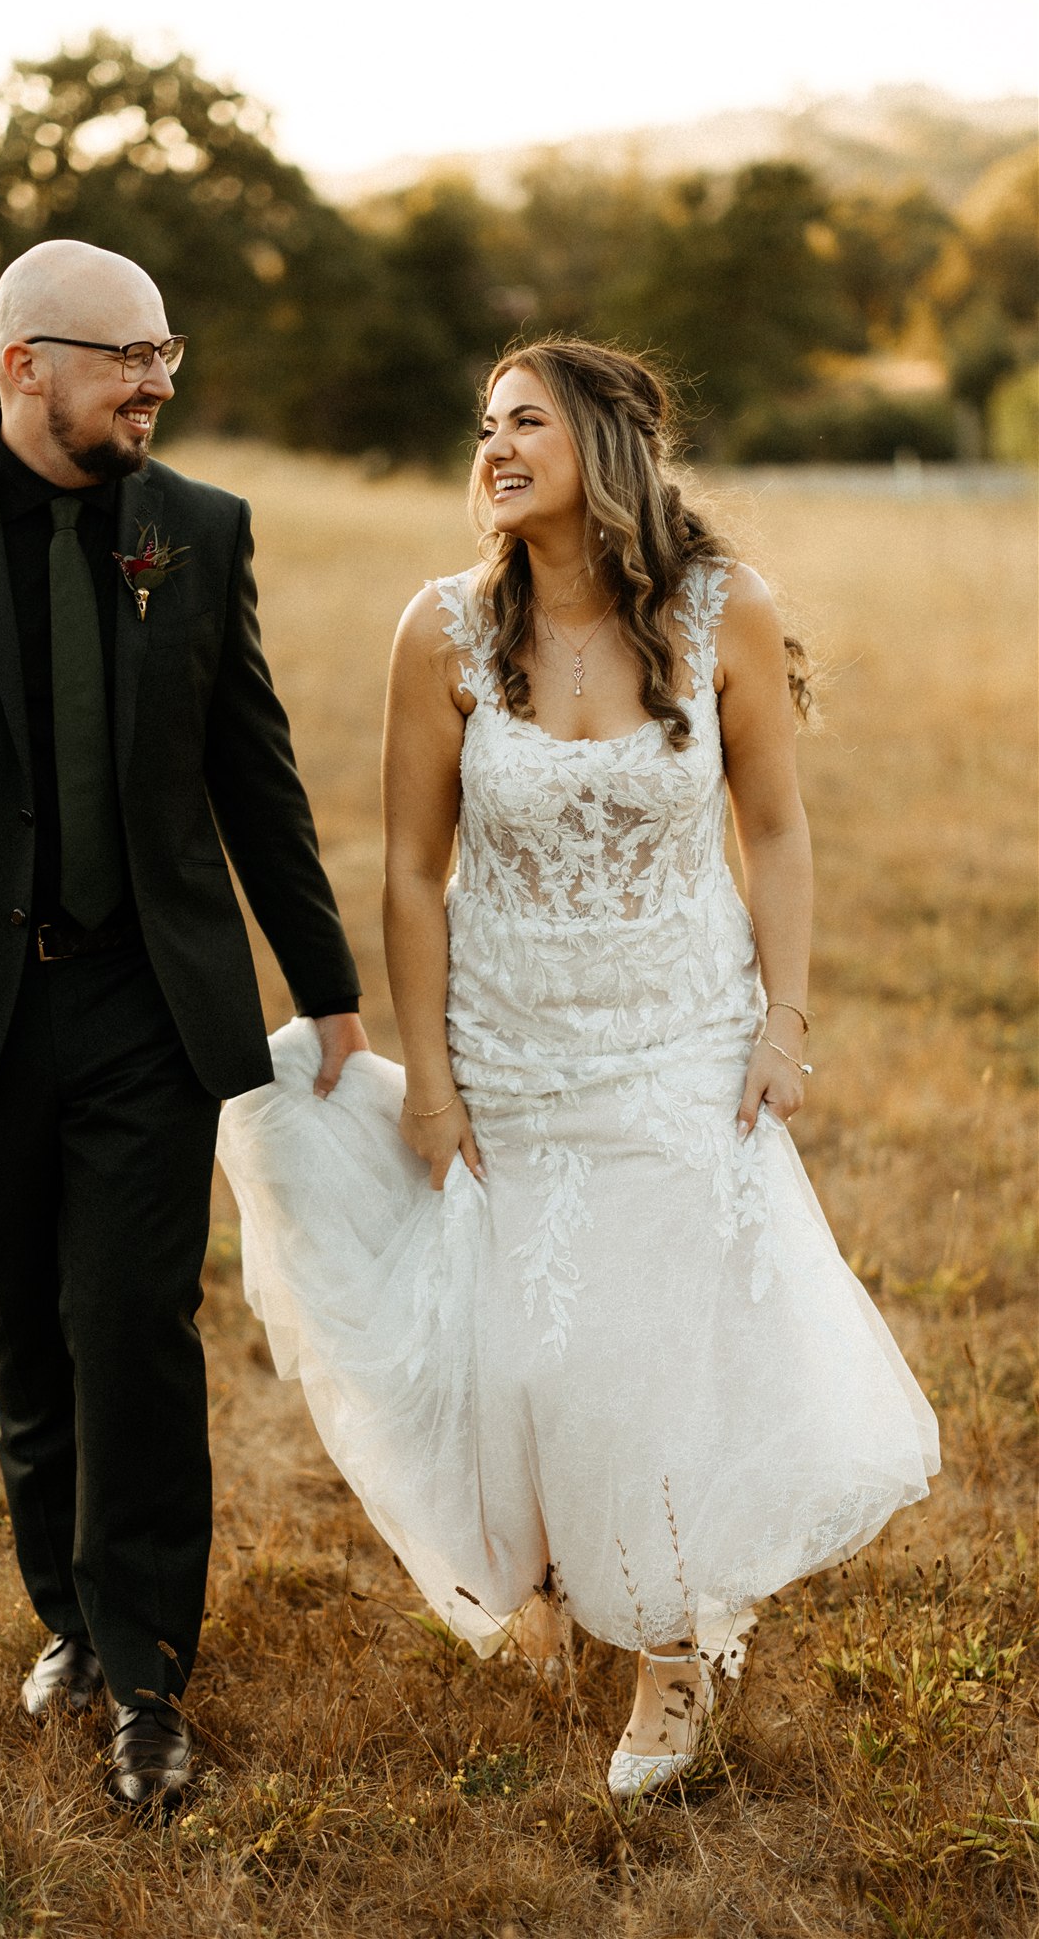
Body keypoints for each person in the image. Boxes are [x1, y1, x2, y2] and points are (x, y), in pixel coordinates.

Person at [216, 338, 939, 1799]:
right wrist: (429, 1080)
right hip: (510, 1042)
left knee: (656, 1338)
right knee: (537, 1346)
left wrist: (779, 1022)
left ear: (606, 444)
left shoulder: (723, 612)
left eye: (524, 422)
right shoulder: (440, 631)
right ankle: (566, 1583)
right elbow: (413, 876)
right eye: (482, 425)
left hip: (679, 1029)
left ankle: (672, 1648)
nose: (490, 447)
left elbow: (776, 832)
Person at [0, 238, 366, 1810]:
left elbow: (253, 764)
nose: (158, 381)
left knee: (133, 1326)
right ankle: (68, 1618)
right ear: (23, 365)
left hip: (150, 1002)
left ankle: (149, 1677)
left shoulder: (198, 530)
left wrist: (324, 980)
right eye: (129, 357)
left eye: (167, 353)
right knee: (24, 1330)